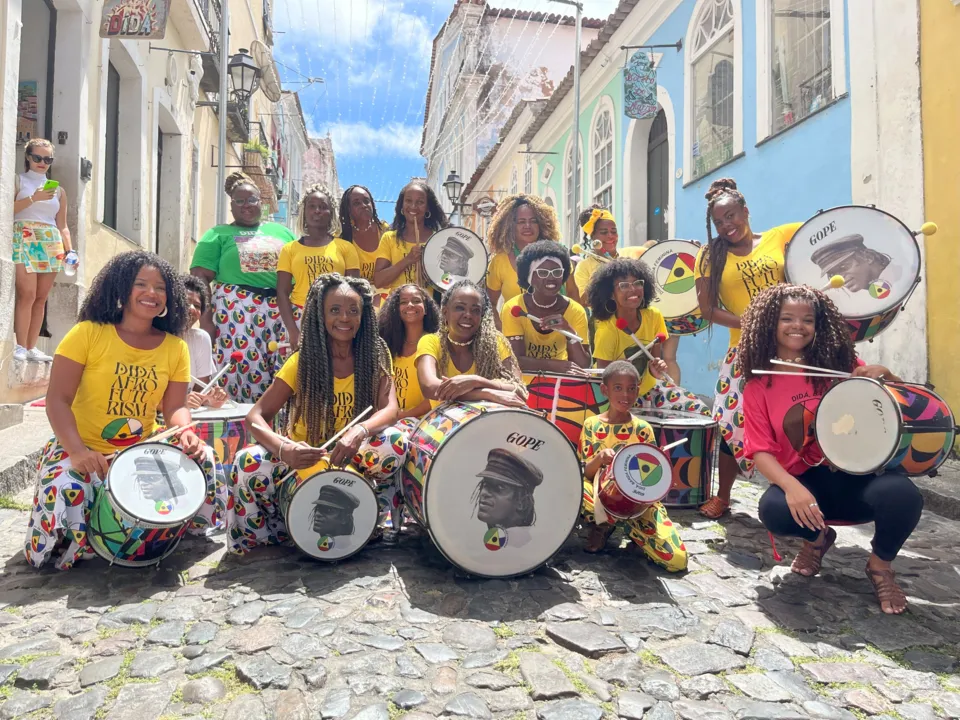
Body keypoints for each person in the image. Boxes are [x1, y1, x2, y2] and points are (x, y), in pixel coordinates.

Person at [25, 252, 225, 570]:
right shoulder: (87, 334)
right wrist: (77, 451)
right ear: (120, 289)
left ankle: (177, 532)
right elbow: (57, 400)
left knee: (204, 459)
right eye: (141, 284)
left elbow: (174, 407)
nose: (152, 293)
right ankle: (70, 543)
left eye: (160, 288)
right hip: (81, 448)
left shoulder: (175, 347)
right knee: (67, 486)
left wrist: (186, 431)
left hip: (142, 451)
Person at [740, 284, 917, 615]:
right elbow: (760, 451)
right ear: (769, 323)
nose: (798, 326)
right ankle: (818, 539)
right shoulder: (759, 385)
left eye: (808, 320)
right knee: (775, 510)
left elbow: (897, 403)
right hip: (805, 481)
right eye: (787, 318)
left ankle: (880, 566)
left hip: (857, 476)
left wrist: (888, 376)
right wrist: (792, 489)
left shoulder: (842, 364)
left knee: (904, 495)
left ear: (818, 326)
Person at [226, 274, 410, 554]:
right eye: (334, 310)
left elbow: (391, 409)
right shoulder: (303, 360)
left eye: (353, 311)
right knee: (245, 461)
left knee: (395, 443)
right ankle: (260, 542)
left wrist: (359, 431)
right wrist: (285, 449)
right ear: (320, 315)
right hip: (302, 458)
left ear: (364, 316)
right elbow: (255, 416)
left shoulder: (375, 354)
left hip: (353, 455)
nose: (344, 318)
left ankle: (372, 524)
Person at [694, 177, 802, 519]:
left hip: (794, 352)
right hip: (744, 352)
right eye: (719, 222)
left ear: (746, 211)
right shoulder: (709, 257)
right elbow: (707, 309)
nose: (727, 226)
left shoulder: (781, 237)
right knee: (730, 423)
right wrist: (753, 322)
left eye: (732, 216)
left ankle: (796, 491)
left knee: (796, 421)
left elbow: (824, 238)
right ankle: (723, 496)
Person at [190, 171, 297, 403]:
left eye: (251, 200)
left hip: (281, 309)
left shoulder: (283, 232)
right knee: (243, 367)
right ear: (231, 206)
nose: (246, 205)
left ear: (262, 203)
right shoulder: (217, 234)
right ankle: (244, 425)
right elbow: (200, 277)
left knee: (285, 366)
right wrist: (207, 321)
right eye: (239, 201)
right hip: (236, 310)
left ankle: (280, 428)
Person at [578, 361, 687, 572]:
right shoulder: (592, 425)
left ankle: (631, 528)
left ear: (638, 390)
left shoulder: (643, 430)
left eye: (631, 389)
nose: (625, 395)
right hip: (601, 498)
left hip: (639, 506)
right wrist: (600, 458)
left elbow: (652, 480)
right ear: (604, 390)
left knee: (677, 560)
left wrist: (662, 480)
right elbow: (586, 472)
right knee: (574, 488)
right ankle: (603, 526)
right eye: (618, 388)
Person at [588, 258, 710, 415]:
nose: (633, 289)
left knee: (700, 411)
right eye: (624, 285)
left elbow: (653, 364)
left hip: (649, 390)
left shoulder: (654, 316)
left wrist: (656, 369)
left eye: (637, 283)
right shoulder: (607, 330)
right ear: (611, 294)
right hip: (614, 398)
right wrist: (618, 371)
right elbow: (602, 376)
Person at [12, 138, 77, 363]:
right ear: (28, 157)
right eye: (37, 157)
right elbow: (7, 209)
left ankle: (31, 347)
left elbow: (63, 225)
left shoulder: (58, 191)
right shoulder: (18, 181)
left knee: (41, 298)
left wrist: (70, 251)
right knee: (27, 294)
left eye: (47, 159)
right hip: (24, 235)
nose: (42, 162)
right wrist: (34, 198)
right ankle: (19, 345)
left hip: (50, 240)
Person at [415, 280, 527, 408]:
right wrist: (487, 393)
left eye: (475, 310)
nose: (468, 315)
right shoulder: (431, 341)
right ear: (445, 312)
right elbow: (430, 387)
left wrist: (476, 381)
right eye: (460, 308)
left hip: (488, 421)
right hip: (443, 425)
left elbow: (519, 389)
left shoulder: (496, 341)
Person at [278, 184, 359, 350]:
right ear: (304, 211)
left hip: (336, 316)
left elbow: (354, 290)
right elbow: (282, 292)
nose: (317, 211)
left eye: (323, 207)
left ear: (331, 214)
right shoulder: (290, 249)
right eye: (312, 206)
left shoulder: (345, 248)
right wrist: (293, 331)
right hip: (299, 315)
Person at [485, 194, 577, 328]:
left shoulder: (559, 255)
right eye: (521, 222)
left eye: (533, 221)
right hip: (516, 338)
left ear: (542, 224)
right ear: (510, 226)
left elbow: (573, 295)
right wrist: (500, 328)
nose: (527, 226)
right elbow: (490, 302)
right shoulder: (499, 261)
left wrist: (572, 327)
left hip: (557, 334)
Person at [501, 240, 590, 375]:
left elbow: (583, 364)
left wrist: (568, 330)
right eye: (542, 272)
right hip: (524, 384)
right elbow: (514, 361)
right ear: (531, 277)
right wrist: (554, 366)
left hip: (563, 384)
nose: (551, 278)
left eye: (556, 272)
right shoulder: (514, 308)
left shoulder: (576, 311)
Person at [373, 181, 449, 294]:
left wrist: (431, 274)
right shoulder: (389, 238)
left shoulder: (438, 240)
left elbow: (448, 279)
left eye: (420, 202)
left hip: (429, 307)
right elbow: (379, 281)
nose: (413, 206)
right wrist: (407, 260)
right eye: (408, 201)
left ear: (428, 208)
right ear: (401, 205)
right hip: (398, 307)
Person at [378, 284, 439, 420]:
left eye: (416, 301)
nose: (410, 305)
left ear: (426, 308)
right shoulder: (389, 345)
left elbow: (437, 394)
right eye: (403, 302)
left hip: (426, 423)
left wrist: (404, 416)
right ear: (396, 310)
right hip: (394, 423)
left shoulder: (436, 342)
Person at [182, 275, 227, 410]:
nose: (192, 309)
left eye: (197, 305)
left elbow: (200, 392)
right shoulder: (151, 338)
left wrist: (210, 399)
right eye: (186, 303)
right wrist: (178, 402)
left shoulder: (201, 339)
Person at [338, 184, 387, 303]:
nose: (363, 205)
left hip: (386, 297)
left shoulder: (386, 231)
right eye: (356, 203)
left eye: (366, 201)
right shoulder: (341, 238)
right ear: (348, 210)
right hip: (356, 298)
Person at [809, 234, 899, 294]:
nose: (839, 279)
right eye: (832, 275)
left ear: (869, 257)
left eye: (843, 267)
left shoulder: (902, 279)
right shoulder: (881, 291)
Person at [573, 206, 619, 300]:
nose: (610, 236)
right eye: (603, 232)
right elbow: (584, 300)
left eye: (613, 231)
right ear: (593, 236)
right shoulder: (583, 267)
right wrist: (600, 277)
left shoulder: (628, 256)